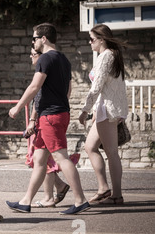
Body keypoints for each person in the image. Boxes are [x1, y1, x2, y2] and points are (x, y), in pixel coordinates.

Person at [7, 23, 90, 215]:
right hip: (56, 113)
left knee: (61, 157)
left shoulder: (45, 58)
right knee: (39, 160)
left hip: (51, 116)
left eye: (34, 39)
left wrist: (18, 107)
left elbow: (35, 87)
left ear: (43, 38)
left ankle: (80, 200)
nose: (33, 42)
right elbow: (68, 91)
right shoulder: (64, 59)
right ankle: (26, 201)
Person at [79, 24, 128, 205]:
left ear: (102, 39)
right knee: (90, 147)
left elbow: (97, 86)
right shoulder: (109, 56)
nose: (89, 42)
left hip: (107, 111)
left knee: (111, 152)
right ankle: (105, 188)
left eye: (92, 39)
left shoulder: (107, 56)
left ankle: (115, 194)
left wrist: (85, 109)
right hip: (104, 110)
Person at [25, 48, 74, 208]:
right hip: (53, 116)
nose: (31, 57)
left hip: (47, 119)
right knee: (41, 159)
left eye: (33, 54)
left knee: (51, 159)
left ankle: (59, 197)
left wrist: (32, 120)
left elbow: (38, 99)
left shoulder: (44, 74)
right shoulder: (59, 70)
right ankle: (31, 199)